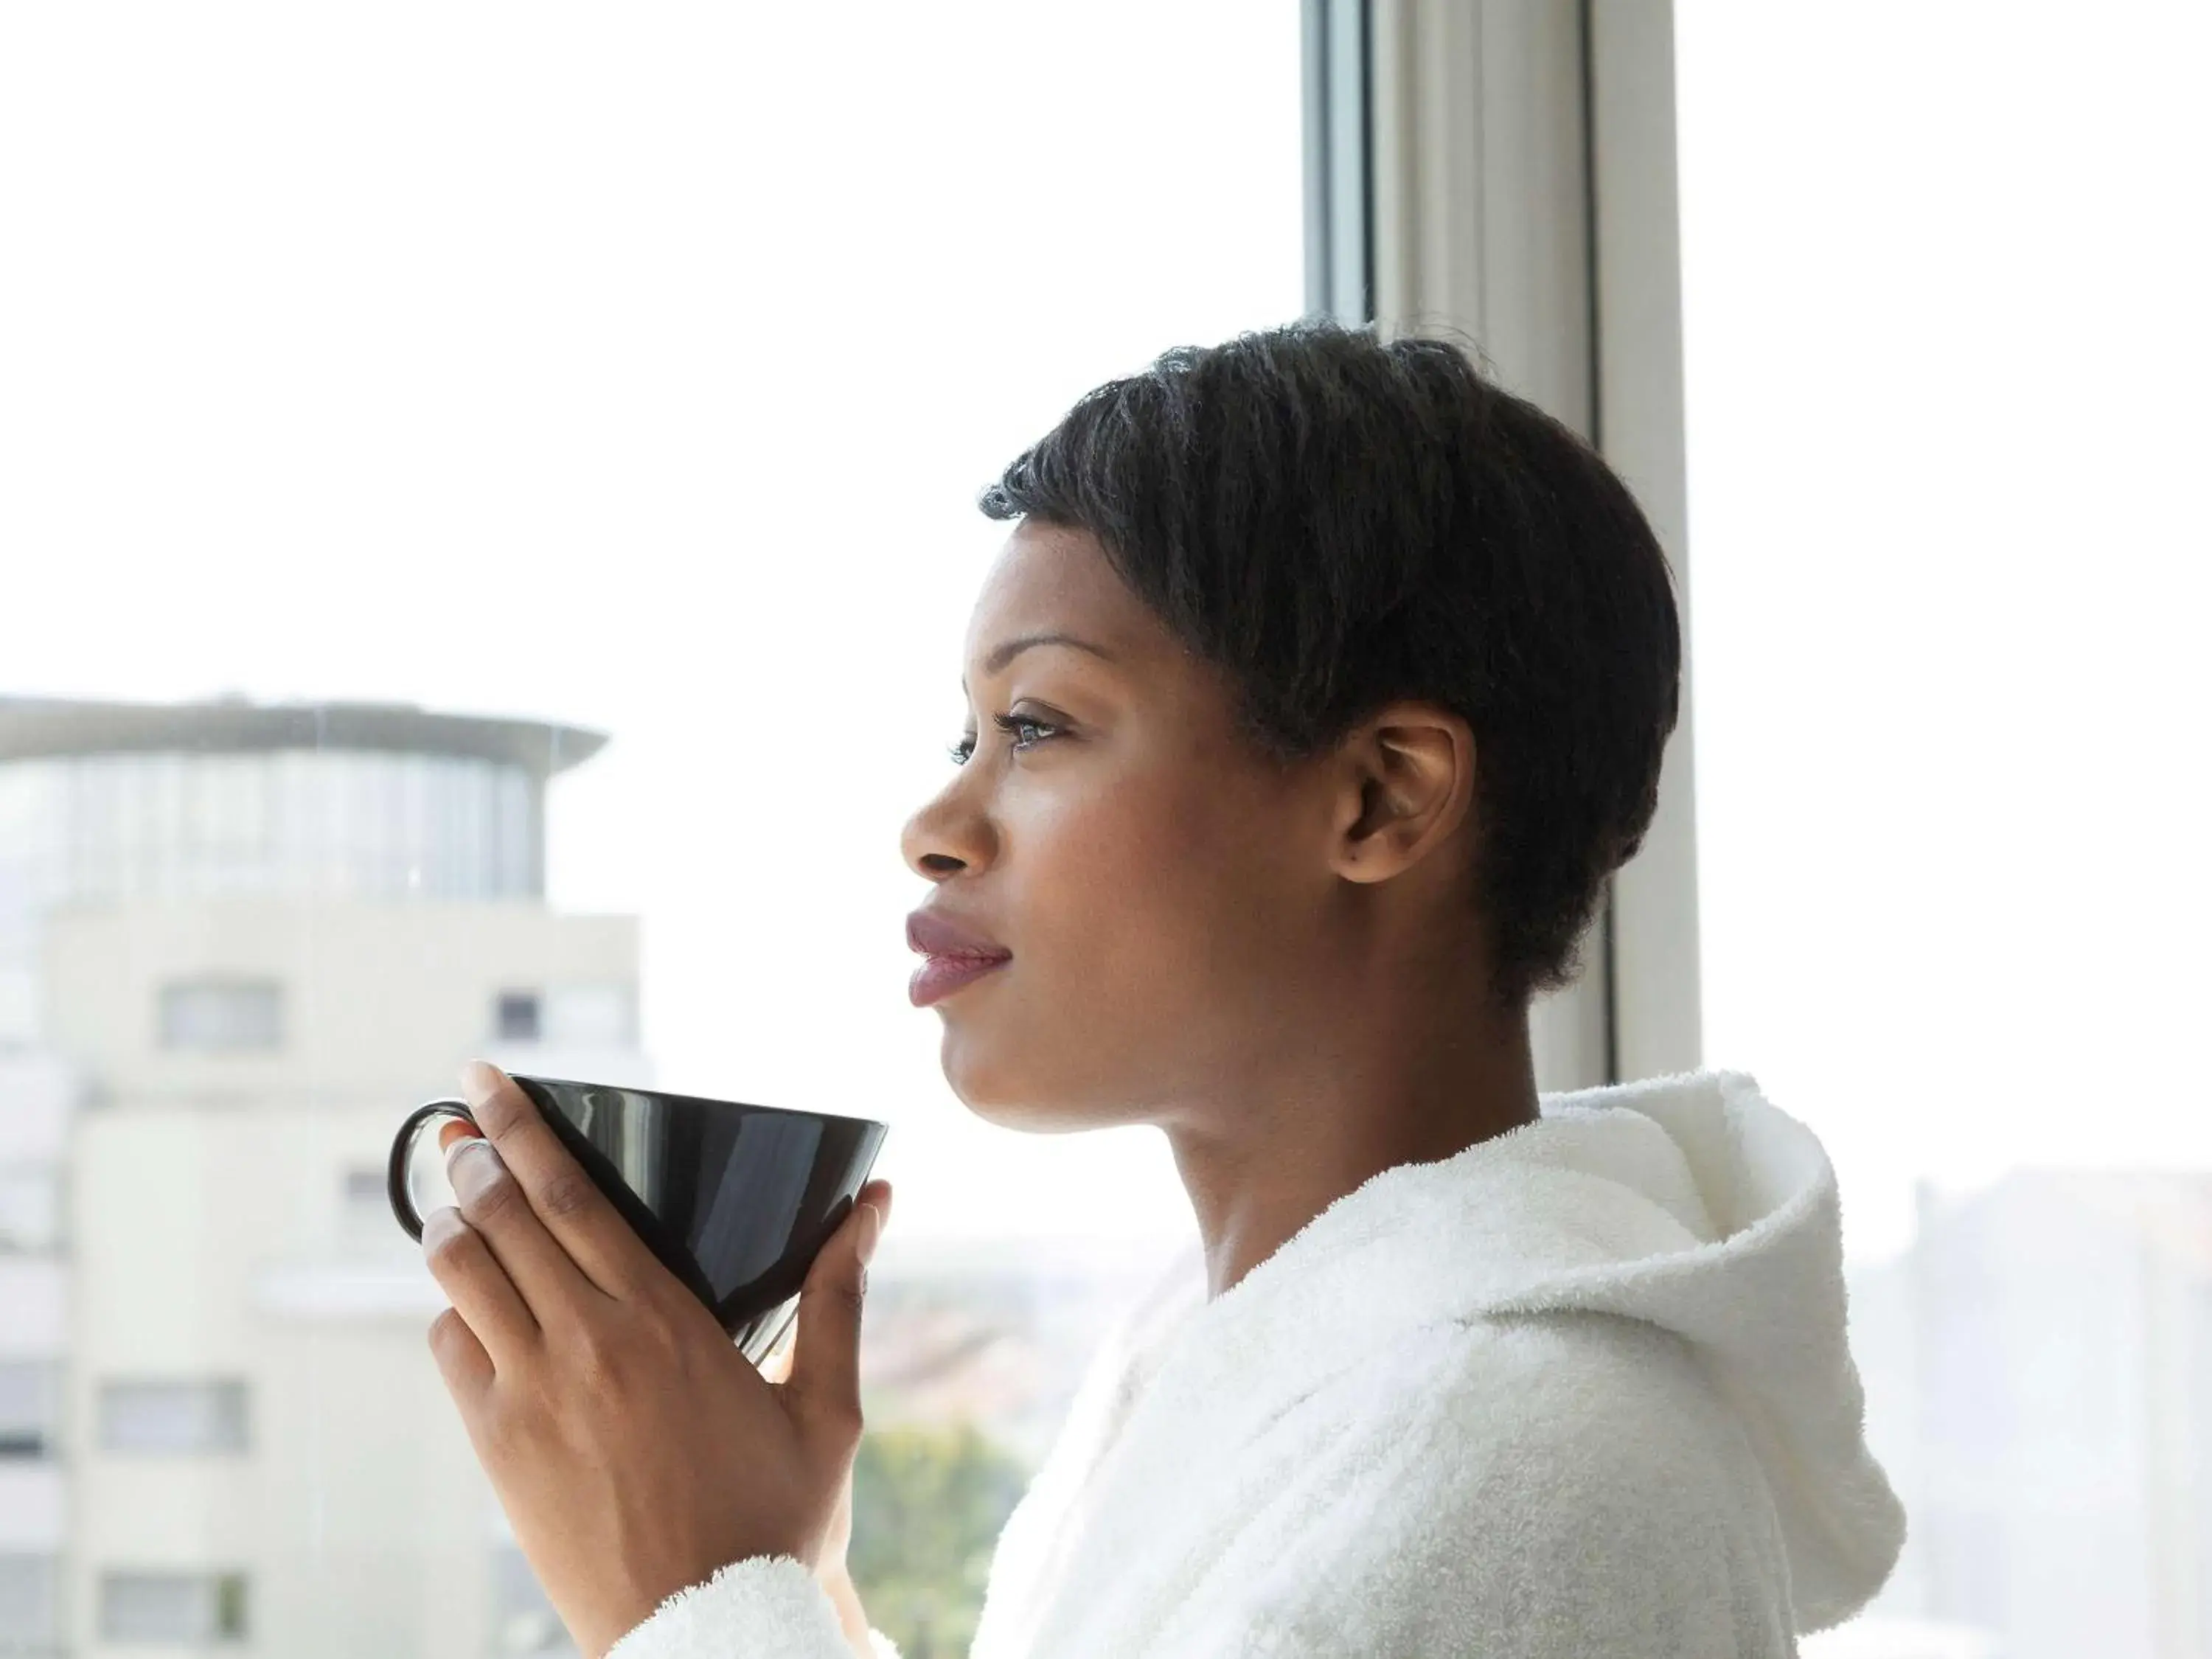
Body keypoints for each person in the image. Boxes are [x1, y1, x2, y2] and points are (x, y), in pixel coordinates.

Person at [417, 322, 1905, 1658]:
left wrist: (694, 1598)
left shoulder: (1535, 1455)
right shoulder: (1238, 1376)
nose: (936, 827)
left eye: (1041, 725)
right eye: (967, 736)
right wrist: (791, 1588)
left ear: (1382, 798)